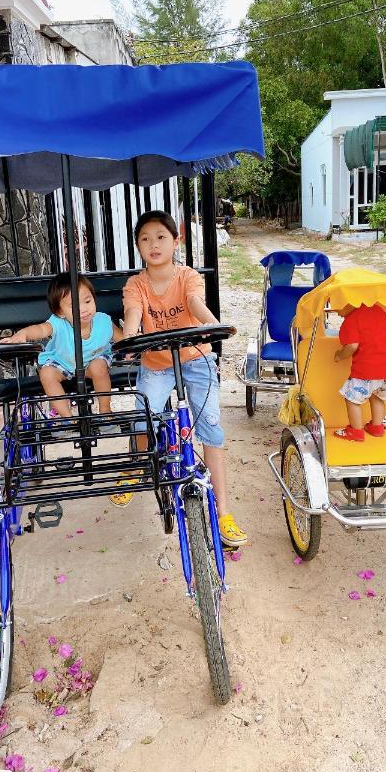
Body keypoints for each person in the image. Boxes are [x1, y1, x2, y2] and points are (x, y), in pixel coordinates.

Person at [114, 210, 247, 548]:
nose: (153, 244)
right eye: (145, 239)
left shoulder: (188, 276)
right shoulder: (136, 284)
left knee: (211, 429)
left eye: (160, 237)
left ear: (176, 241)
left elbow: (194, 303)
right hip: (156, 363)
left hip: (195, 359)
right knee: (142, 419)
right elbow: (132, 315)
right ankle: (136, 466)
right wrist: (129, 339)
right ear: (139, 247)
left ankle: (224, 511)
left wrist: (213, 324)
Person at [1, 272, 122, 418]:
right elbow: (41, 329)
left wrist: (134, 343)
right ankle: (68, 417)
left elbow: (122, 339)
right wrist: (23, 334)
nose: (83, 309)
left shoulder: (103, 321)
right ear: (60, 312)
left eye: (88, 301)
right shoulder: (58, 323)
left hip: (92, 363)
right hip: (63, 363)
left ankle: (105, 411)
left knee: (99, 366)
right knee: (47, 374)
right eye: (74, 306)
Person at [333, 303, 386, 442]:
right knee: (377, 396)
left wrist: (339, 355)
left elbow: (352, 345)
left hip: (367, 371)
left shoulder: (351, 319)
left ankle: (355, 431)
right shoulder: (379, 311)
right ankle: (377, 427)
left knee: (352, 399)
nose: (334, 309)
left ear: (349, 301)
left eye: (336, 304)